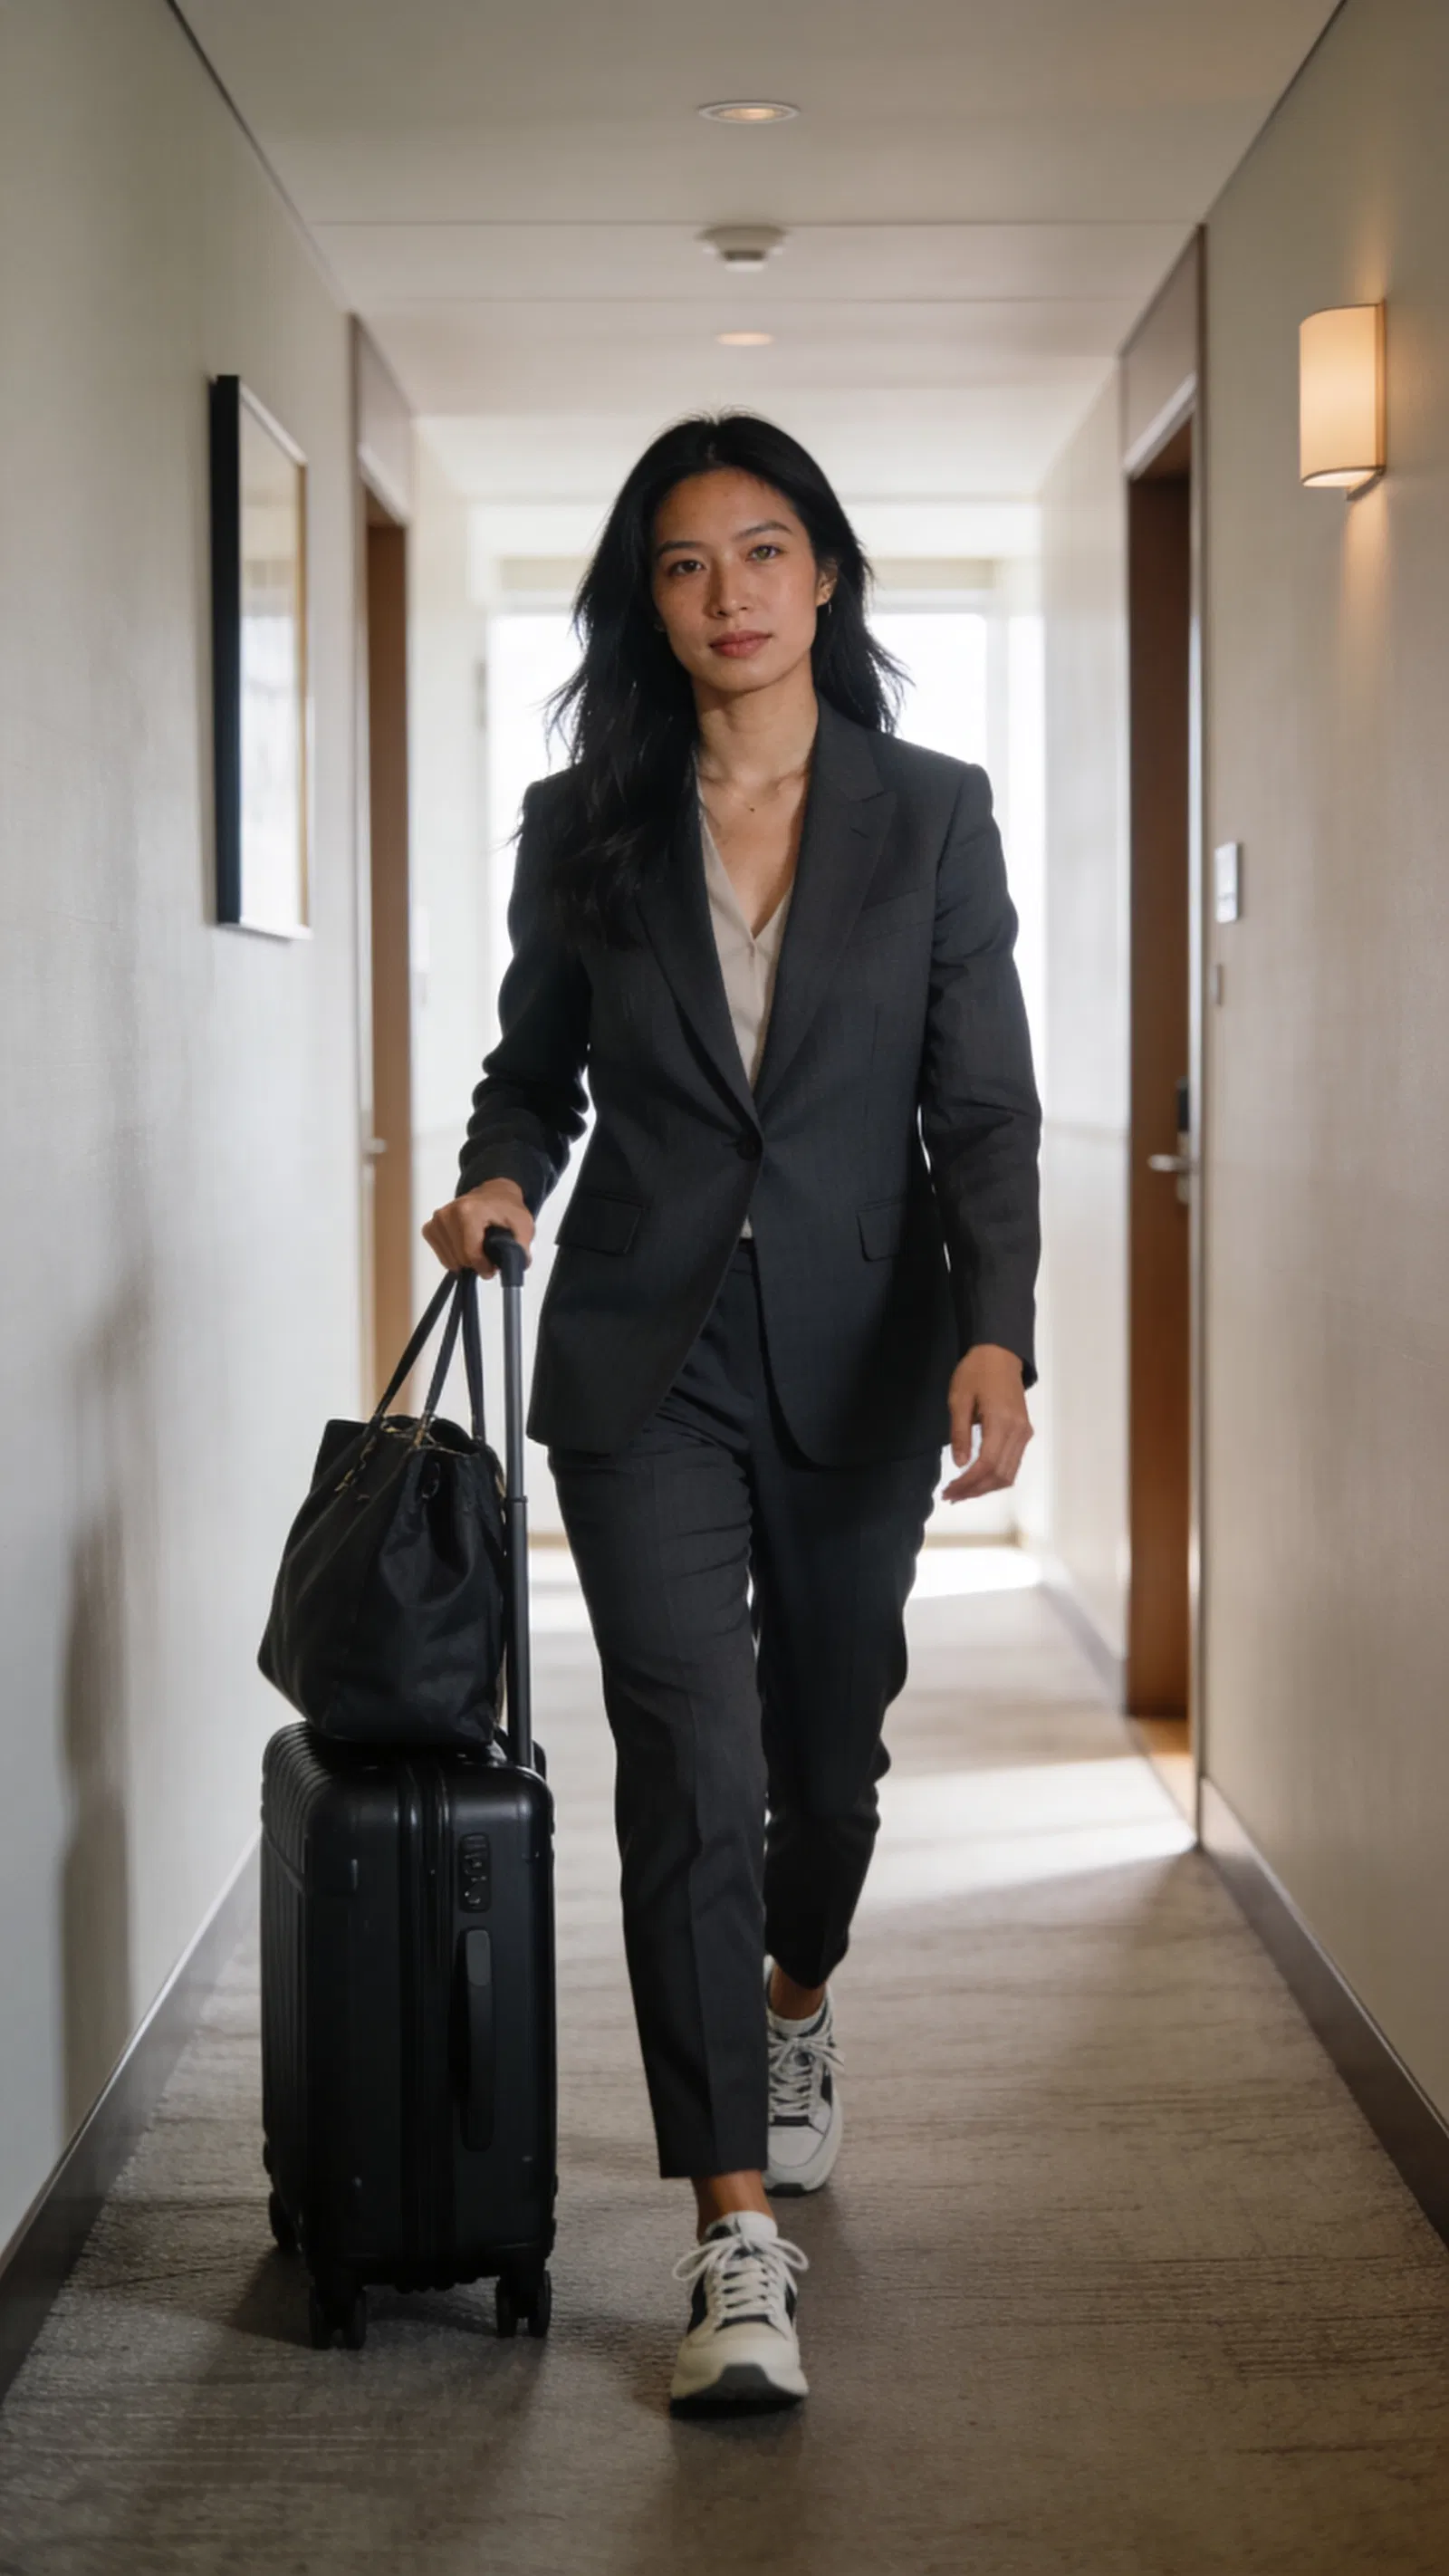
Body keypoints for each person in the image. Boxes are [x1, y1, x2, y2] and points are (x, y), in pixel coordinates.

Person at [424, 412, 1041, 2416]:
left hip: (868, 1351)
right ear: (650, 599)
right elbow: (534, 1070)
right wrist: (502, 1173)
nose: (727, 596)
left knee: (824, 1758)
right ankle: (731, 2242)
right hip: (642, 1358)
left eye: (761, 554)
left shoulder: (930, 816)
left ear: (824, 576)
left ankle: (793, 1998)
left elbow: (984, 1110)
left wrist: (995, 1334)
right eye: (685, 565)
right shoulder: (581, 819)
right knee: (685, 1760)